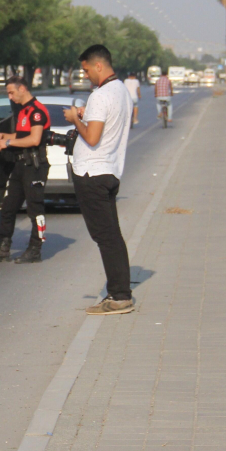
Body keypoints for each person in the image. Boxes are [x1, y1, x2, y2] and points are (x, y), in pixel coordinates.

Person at [63, 45, 135, 315]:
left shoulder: (100, 95)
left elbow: (91, 138)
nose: (85, 75)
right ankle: (119, 291)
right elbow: (105, 125)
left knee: (105, 236)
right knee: (111, 235)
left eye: (86, 70)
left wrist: (74, 118)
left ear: (98, 66)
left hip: (93, 173)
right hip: (110, 170)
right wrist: (86, 116)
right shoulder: (122, 92)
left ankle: (119, 296)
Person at [0, 75, 51, 264]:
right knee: (8, 207)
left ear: (22, 89)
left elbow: (34, 139)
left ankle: (35, 249)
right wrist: (3, 135)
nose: (10, 97)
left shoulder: (37, 111)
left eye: (11, 93)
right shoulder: (23, 111)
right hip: (20, 165)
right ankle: (3, 247)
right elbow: (22, 134)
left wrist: (8, 142)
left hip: (35, 165)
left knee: (35, 209)